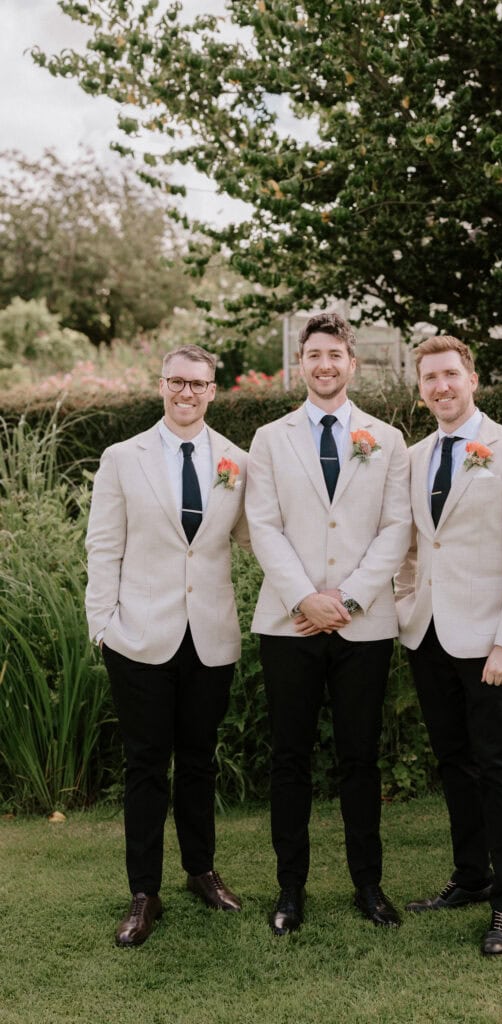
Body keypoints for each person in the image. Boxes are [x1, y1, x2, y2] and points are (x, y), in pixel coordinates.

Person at [245, 312, 412, 935]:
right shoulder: (270, 438)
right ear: (301, 363)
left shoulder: (386, 439)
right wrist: (304, 599)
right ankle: (290, 889)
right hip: (289, 626)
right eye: (313, 355)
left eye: (334, 355)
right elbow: (264, 526)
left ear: (352, 363)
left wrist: (351, 599)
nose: (324, 365)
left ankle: (368, 884)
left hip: (363, 626)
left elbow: (397, 528)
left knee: (359, 758)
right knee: (289, 757)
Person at [85, 344, 250, 947]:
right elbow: (103, 546)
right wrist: (102, 624)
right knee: (146, 766)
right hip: (138, 636)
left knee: (200, 761)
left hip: (209, 636)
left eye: (198, 384)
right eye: (177, 382)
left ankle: (201, 872)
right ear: (162, 386)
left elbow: (261, 535)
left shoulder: (236, 459)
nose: (187, 393)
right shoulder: (122, 458)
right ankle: (143, 891)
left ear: (213, 390)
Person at [395, 335, 502, 955]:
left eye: (450, 375)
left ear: (473, 378)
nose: (441, 387)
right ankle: (471, 877)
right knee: (453, 764)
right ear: (421, 388)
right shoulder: (412, 458)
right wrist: (408, 603)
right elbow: (410, 547)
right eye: (430, 378)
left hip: (490, 641)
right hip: (428, 635)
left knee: (498, 768)